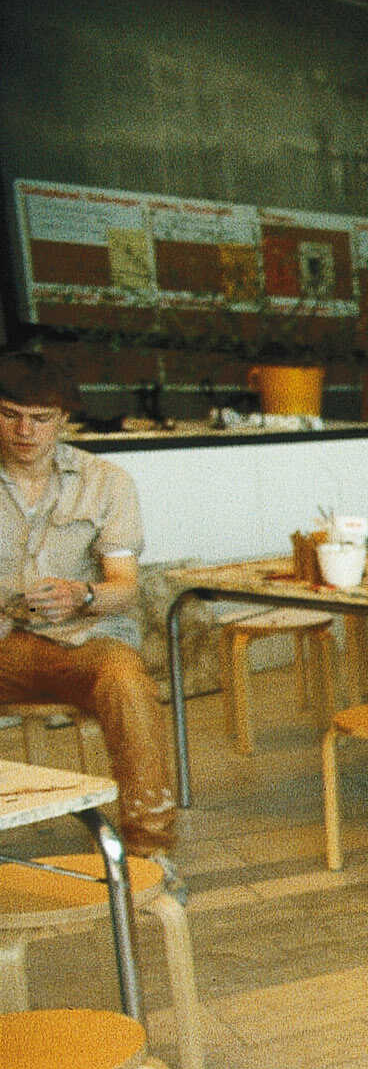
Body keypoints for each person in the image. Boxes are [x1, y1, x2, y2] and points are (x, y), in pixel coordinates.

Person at [0, 351, 181, 868]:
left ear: (63, 420)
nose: (25, 431)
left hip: (80, 644)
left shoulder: (107, 482)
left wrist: (82, 594)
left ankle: (149, 851)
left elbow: (125, 587)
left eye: (40, 418)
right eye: (10, 414)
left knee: (126, 681)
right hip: (3, 647)